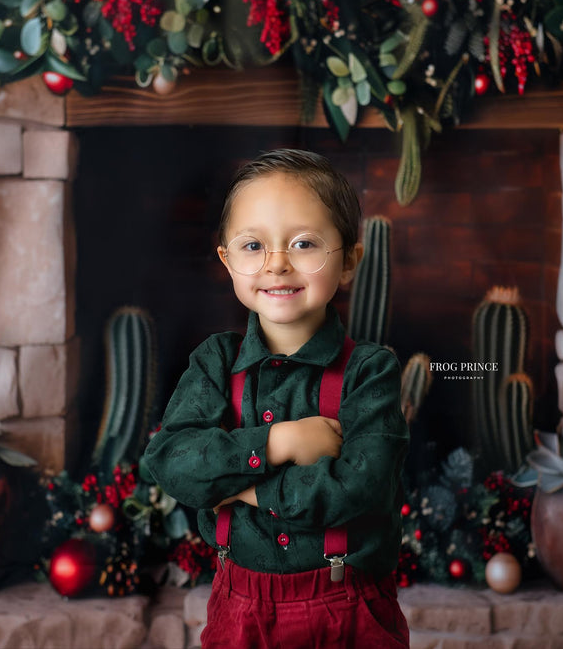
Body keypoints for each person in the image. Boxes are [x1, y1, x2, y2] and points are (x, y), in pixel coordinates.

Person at [140, 149, 410, 648]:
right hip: (240, 612)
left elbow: (360, 488)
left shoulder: (370, 371)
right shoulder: (215, 363)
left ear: (350, 259)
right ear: (227, 259)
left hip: (346, 609)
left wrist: (242, 490)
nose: (277, 264)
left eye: (305, 243)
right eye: (253, 245)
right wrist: (279, 442)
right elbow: (172, 460)